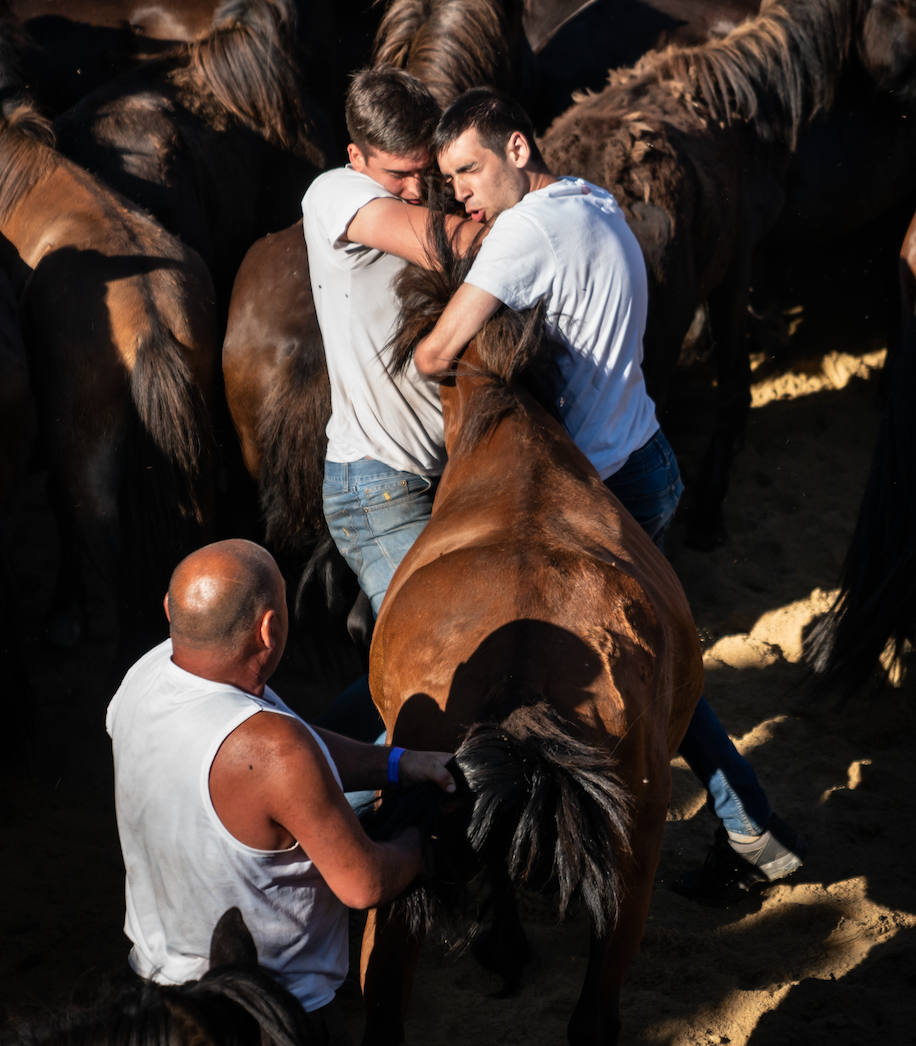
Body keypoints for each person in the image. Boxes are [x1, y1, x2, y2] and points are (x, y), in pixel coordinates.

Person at [407, 86, 805, 902]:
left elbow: (437, 354)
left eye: (470, 171)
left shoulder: (522, 234)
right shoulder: (593, 200)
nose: (464, 195)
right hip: (645, 457)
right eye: (450, 184)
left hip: (596, 490)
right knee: (655, 667)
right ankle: (750, 825)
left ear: (518, 148)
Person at [106, 538, 456, 1037]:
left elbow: (288, 745)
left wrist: (399, 764)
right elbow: (364, 883)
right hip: (266, 1014)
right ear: (269, 630)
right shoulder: (274, 748)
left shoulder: (147, 674)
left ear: (171, 610)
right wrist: (419, 844)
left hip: (154, 992)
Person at [302, 68, 478, 627]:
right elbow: (455, 245)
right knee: (441, 638)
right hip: (379, 483)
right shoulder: (334, 194)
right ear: (355, 156)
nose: (416, 190)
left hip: (444, 471)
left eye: (425, 172)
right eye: (398, 175)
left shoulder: (416, 190)